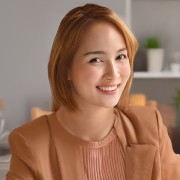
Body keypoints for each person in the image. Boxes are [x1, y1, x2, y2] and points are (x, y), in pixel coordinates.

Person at [6, 3, 180, 180]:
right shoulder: (28, 142)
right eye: (96, 60)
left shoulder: (150, 125)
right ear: (66, 68)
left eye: (120, 56)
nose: (114, 73)